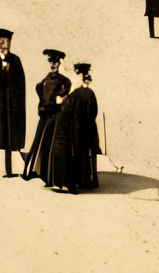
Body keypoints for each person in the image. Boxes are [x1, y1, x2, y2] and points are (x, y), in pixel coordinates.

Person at [46, 62, 101, 194]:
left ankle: (68, 184)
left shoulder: (76, 94)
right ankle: (75, 182)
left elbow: (66, 111)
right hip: (83, 130)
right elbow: (93, 112)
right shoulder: (88, 93)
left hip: (73, 130)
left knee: (66, 152)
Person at [0, 28, 27, 178]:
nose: (2, 43)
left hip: (13, 106)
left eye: (5, 40)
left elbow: (21, 85)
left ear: (10, 43)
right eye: (0, 40)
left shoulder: (16, 60)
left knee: (13, 139)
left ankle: (16, 169)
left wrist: (19, 106)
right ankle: (6, 171)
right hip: (0, 107)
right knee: (2, 139)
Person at [24, 49, 68, 181]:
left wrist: (55, 102)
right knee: (38, 141)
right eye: (50, 62)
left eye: (55, 62)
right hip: (43, 114)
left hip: (55, 117)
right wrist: (42, 103)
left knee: (51, 145)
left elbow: (62, 97)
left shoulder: (64, 81)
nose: (53, 65)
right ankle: (32, 171)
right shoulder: (45, 79)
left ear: (59, 63)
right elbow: (38, 88)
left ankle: (49, 175)